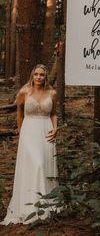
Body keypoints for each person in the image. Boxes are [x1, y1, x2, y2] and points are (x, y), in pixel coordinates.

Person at [1, 64, 59, 225]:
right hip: (29, 131)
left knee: (45, 166)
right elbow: (19, 114)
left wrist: (55, 128)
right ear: (32, 76)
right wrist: (22, 134)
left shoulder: (52, 93)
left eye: (42, 75)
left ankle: (47, 205)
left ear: (46, 77)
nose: (39, 77)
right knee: (37, 164)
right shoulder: (24, 92)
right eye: (36, 74)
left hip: (46, 131)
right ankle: (31, 207)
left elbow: (53, 113)